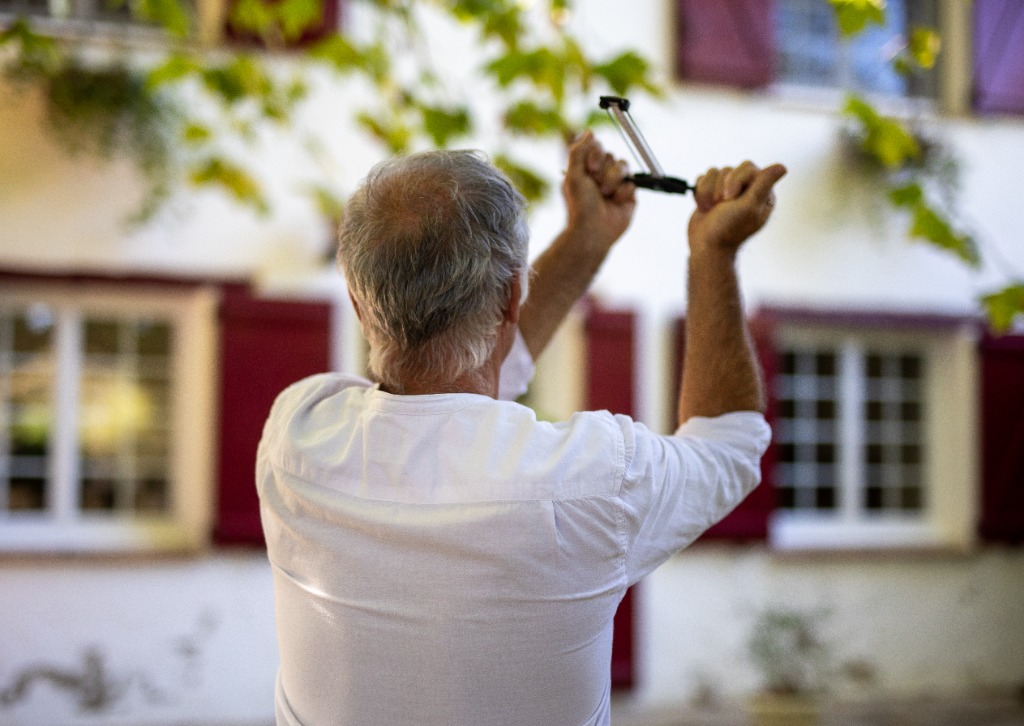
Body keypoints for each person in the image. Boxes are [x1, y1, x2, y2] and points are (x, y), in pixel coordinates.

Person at [257, 130, 786, 726]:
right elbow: (731, 442)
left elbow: (452, 396)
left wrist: (585, 241)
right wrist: (713, 254)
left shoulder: (295, 434)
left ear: (357, 301)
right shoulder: (594, 481)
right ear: (512, 294)